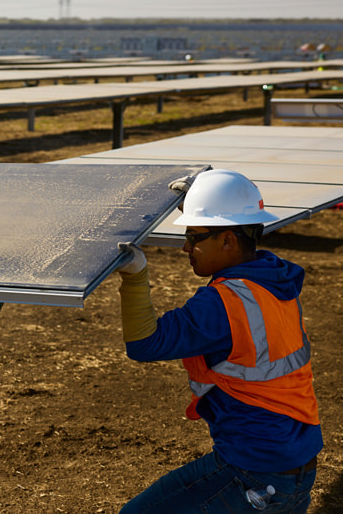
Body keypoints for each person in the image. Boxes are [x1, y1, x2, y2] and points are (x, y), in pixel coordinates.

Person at [115, 169, 321, 513]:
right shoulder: (276, 279)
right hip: (297, 467)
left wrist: (136, 276)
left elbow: (144, 343)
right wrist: (198, 205)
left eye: (194, 236)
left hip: (253, 472)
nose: (185, 247)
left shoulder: (222, 303)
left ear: (228, 240)